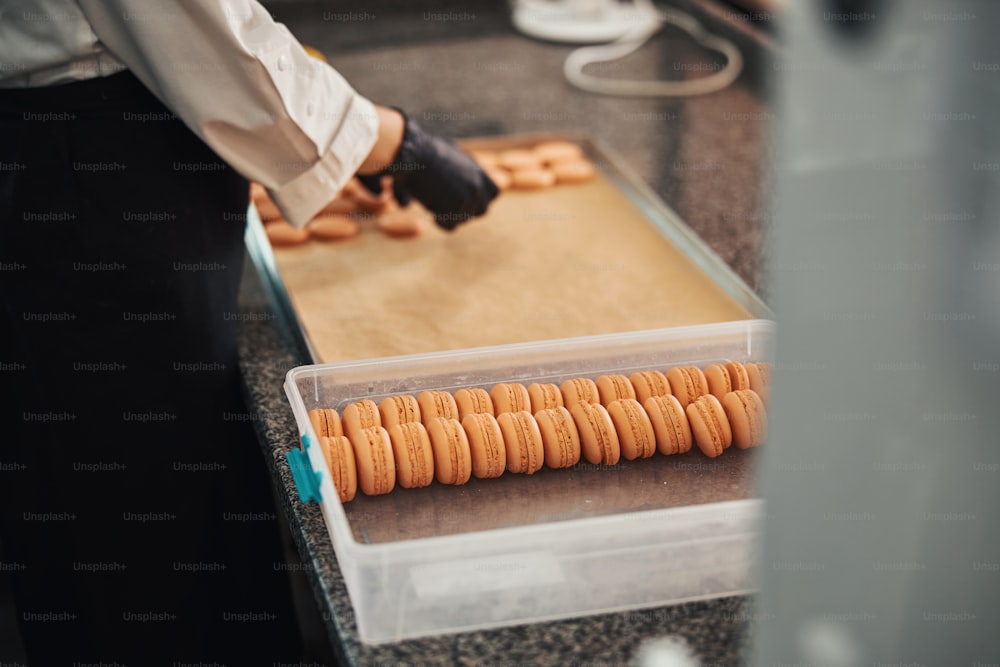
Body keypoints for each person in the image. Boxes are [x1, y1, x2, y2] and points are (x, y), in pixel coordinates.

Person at [0, 1, 498, 664]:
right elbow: (202, 32)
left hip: (88, 144)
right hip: (93, 173)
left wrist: (303, 149)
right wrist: (388, 142)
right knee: (144, 526)